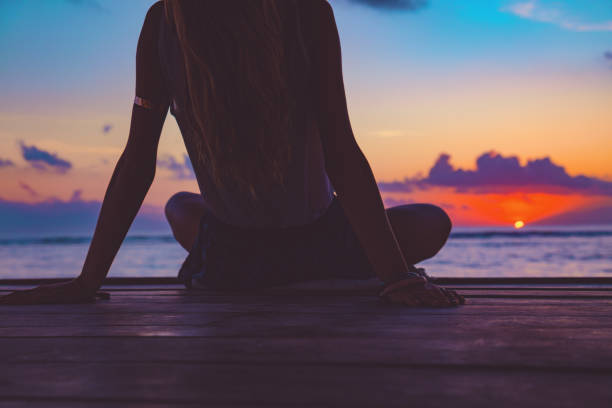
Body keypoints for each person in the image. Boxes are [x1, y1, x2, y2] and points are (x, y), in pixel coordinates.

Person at [1, 0, 464, 307]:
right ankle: (331, 272)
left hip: (232, 257)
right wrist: (396, 277)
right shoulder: (308, 13)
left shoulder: (162, 21)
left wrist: (88, 282)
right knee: (433, 220)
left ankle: (276, 272)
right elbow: (340, 150)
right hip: (325, 241)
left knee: (179, 205)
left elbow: (137, 161)